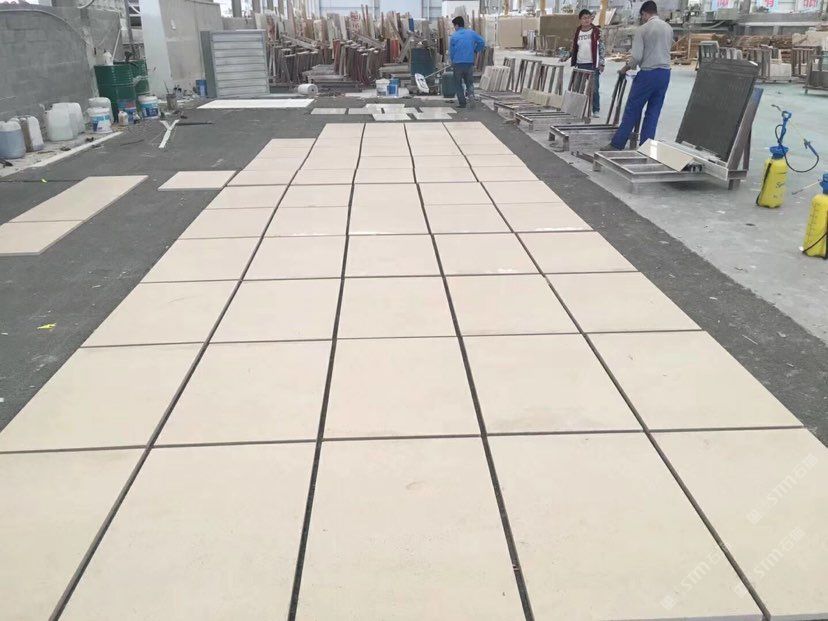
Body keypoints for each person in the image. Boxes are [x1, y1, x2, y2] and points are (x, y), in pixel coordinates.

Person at [608, 0, 673, 150]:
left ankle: (617, 144)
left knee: (633, 109)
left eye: (642, 16)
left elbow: (636, 56)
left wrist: (626, 68)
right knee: (653, 112)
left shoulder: (643, 29)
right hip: (664, 74)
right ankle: (646, 147)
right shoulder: (668, 28)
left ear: (644, 13)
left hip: (648, 74)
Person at [570, 9, 605, 116]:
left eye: (589, 18)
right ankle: (577, 109)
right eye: (584, 18)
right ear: (580, 20)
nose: (587, 20)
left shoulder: (596, 31)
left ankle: (596, 109)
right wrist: (567, 56)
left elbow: (602, 48)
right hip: (580, 64)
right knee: (577, 88)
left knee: (594, 89)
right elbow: (574, 47)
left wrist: (602, 63)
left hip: (593, 64)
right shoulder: (577, 32)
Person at [449, 16, 485, 109]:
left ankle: (462, 103)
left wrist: (452, 61)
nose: (454, 28)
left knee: (458, 83)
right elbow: (482, 42)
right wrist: (476, 50)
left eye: (454, 26)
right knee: (469, 82)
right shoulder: (471, 33)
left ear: (457, 25)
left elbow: (452, 51)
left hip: (457, 63)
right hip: (469, 62)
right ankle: (471, 95)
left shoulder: (454, 36)